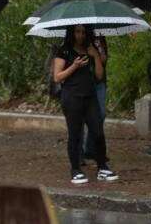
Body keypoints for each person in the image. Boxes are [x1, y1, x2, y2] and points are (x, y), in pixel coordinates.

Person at [53, 25, 118, 184]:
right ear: (71, 33)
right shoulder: (64, 50)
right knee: (75, 134)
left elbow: (99, 75)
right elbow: (57, 77)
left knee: (97, 131)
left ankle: (102, 166)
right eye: (77, 32)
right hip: (72, 97)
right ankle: (75, 169)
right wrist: (74, 66)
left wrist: (95, 56)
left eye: (83, 32)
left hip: (90, 96)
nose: (80, 35)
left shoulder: (90, 49)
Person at [81, 33, 108, 162]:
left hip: (98, 82)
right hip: (80, 83)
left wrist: (96, 53)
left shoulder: (99, 38)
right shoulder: (73, 38)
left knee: (100, 114)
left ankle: (91, 149)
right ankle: (79, 152)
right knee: (79, 117)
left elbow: (104, 59)